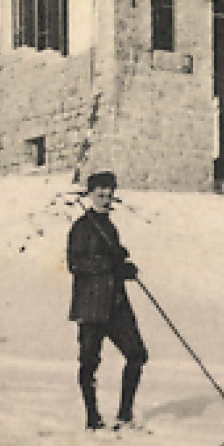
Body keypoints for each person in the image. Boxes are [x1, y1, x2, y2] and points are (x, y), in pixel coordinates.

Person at [68, 171, 148, 431]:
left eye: (109, 194)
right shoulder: (82, 227)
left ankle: (125, 415)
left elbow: (113, 264)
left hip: (115, 305)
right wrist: (109, 263)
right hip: (91, 306)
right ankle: (92, 418)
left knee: (137, 355)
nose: (105, 199)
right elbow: (75, 263)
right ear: (90, 195)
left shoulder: (108, 226)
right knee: (89, 363)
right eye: (100, 194)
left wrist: (125, 269)